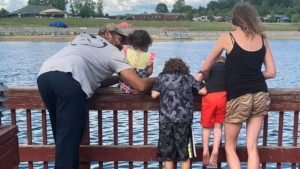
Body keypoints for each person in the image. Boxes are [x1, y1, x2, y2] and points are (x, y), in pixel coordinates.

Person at [37, 23, 156, 169]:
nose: (122, 45)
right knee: (68, 145)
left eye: (125, 42)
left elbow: (96, 78)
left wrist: (120, 77)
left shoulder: (83, 38)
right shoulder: (112, 51)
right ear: (107, 34)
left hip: (45, 77)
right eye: (120, 39)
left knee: (63, 141)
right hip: (69, 82)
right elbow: (140, 85)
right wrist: (161, 78)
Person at [194, 2, 276, 169]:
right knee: (252, 147)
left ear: (235, 19)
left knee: (230, 147)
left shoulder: (227, 37)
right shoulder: (262, 38)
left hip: (238, 96)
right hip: (260, 94)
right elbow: (271, 72)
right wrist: (251, 76)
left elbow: (206, 65)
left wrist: (202, 75)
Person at [151, 58, 205, 169]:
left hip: (166, 121)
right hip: (184, 121)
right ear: (184, 68)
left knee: (168, 157)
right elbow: (203, 91)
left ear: (167, 67)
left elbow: (154, 94)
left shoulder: (162, 77)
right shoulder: (188, 78)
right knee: (185, 156)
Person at [200, 56, 226, 167]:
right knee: (218, 126)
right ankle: (215, 150)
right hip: (222, 96)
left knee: (206, 127)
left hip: (209, 96)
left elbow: (197, 80)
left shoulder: (209, 66)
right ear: (224, 61)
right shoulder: (227, 67)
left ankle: (206, 150)